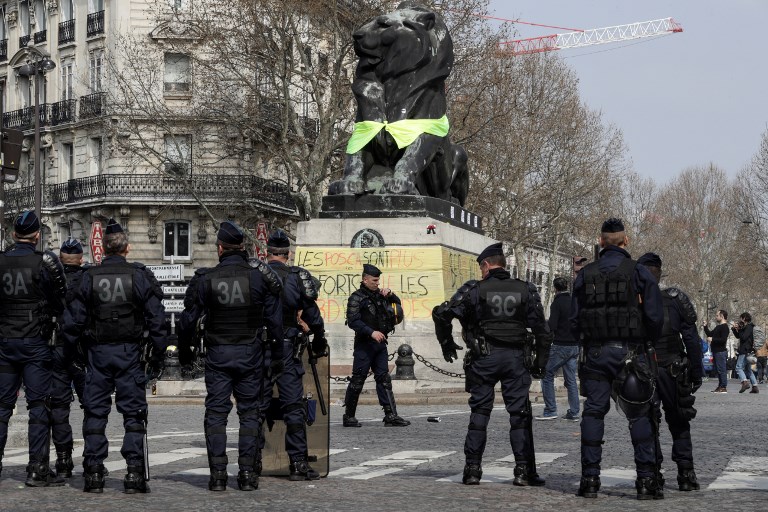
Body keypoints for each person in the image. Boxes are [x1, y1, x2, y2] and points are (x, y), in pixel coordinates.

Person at [59, 219, 168, 493]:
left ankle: (93, 473)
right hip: (129, 353)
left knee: (95, 413)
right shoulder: (140, 276)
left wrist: (72, 354)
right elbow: (158, 320)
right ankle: (134, 473)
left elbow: (72, 324)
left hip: (97, 353)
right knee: (133, 414)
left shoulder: (88, 277)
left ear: (102, 249)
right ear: (127, 248)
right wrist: (157, 355)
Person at [432, 242, 551, 487]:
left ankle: (472, 470)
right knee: (519, 415)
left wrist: (446, 343)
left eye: (480, 268)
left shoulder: (474, 289)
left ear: (486, 265)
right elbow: (542, 330)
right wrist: (540, 363)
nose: (480, 272)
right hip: (516, 358)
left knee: (480, 413)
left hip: (483, 357)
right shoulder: (525, 289)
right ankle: (522, 471)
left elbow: (442, 313)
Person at [177, 221, 283, 492]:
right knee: (249, 414)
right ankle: (247, 474)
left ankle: (218, 475)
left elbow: (187, 321)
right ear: (243, 247)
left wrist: (186, 355)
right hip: (250, 354)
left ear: (220, 248)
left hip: (218, 354)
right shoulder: (259, 277)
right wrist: (278, 357)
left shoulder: (205, 278)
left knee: (216, 414)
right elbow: (275, 323)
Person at [571, 218, 664, 500]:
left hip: (596, 353)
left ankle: (589, 479)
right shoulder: (639, 272)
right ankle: (646, 481)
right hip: (631, 352)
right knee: (639, 415)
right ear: (626, 240)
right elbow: (655, 316)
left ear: (600, 242)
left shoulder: (585, 274)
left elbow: (574, 319)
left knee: (593, 412)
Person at [0, 211, 67, 486]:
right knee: (39, 405)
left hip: (4, 342)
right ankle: (37, 467)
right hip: (35, 343)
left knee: (2, 406)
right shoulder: (44, 263)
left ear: (14, 234)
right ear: (37, 235)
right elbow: (60, 300)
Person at [262, 229, 327, 481]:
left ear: (267, 253)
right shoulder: (298, 277)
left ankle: (251, 465)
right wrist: (319, 337)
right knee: (293, 407)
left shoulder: (255, 275)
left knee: (256, 408)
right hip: (288, 348)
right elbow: (312, 315)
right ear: (287, 254)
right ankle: (298, 463)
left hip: (259, 349)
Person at [638, 253, 703, 492]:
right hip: (671, 369)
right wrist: (696, 373)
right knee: (678, 421)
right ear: (659, 273)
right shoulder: (675, 300)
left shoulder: (633, 299)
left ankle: (652, 474)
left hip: (644, 369)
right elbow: (692, 340)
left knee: (647, 423)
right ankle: (686, 474)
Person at [342, 264, 409, 427]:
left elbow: (397, 307)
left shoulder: (381, 295)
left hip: (380, 345)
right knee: (358, 380)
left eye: (378, 280)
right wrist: (371, 332)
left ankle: (391, 415)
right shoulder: (356, 297)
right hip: (364, 345)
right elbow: (353, 321)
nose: (377, 283)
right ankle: (349, 416)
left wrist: (391, 294)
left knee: (384, 379)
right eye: (374, 280)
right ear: (365, 279)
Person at [50, 238, 88, 478]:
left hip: (56, 349)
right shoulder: (88, 279)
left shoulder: (51, 281)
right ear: (81, 259)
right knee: (92, 407)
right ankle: (93, 460)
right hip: (84, 351)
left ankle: (63, 458)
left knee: (58, 407)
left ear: (61, 260)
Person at [536, 276, 580, 421]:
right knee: (571, 379)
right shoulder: (575, 301)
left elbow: (553, 325)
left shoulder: (557, 303)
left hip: (561, 344)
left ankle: (550, 410)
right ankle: (574, 412)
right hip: (574, 345)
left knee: (547, 374)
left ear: (555, 288)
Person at [731, 312, 758, 393]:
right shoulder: (746, 327)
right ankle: (755, 387)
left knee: (738, 367)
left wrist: (740, 328)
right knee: (749, 370)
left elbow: (743, 337)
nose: (740, 320)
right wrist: (734, 329)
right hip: (747, 350)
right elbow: (738, 336)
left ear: (744, 318)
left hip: (745, 350)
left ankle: (744, 382)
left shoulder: (749, 327)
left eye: (741, 318)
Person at [703, 310, 730, 392]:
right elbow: (710, 334)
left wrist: (712, 339)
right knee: (718, 370)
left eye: (717, 315)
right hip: (715, 351)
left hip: (721, 352)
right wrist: (705, 326)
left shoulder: (725, 327)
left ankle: (723, 387)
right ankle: (720, 385)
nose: (716, 317)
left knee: (722, 369)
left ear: (722, 316)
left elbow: (722, 340)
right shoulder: (718, 327)